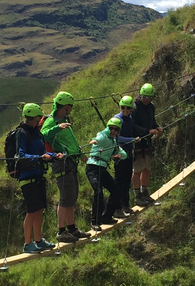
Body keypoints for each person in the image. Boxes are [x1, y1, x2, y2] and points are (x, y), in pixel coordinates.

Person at [41, 91, 91, 243]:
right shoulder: (52, 121)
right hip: (61, 163)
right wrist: (58, 127)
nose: (70, 110)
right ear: (63, 107)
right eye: (69, 107)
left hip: (70, 162)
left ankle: (72, 229)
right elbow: (42, 135)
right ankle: (61, 231)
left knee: (71, 197)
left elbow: (71, 142)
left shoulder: (64, 121)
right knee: (65, 197)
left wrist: (80, 153)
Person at [17, 103, 61, 253]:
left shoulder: (37, 133)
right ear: (31, 118)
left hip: (38, 175)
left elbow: (43, 152)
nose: (38, 122)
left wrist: (55, 155)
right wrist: (38, 157)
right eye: (37, 119)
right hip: (27, 177)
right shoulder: (22, 133)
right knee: (32, 210)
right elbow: (20, 155)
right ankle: (27, 244)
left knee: (40, 209)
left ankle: (38, 240)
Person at [86, 117, 128, 231]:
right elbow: (98, 138)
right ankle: (95, 221)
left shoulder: (114, 142)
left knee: (116, 192)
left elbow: (124, 154)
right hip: (93, 167)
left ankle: (106, 217)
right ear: (107, 128)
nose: (113, 131)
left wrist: (119, 155)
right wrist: (95, 141)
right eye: (111, 129)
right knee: (98, 192)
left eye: (116, 130)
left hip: (102, 169)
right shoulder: (103, 136)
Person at [131, 83, 163, 206]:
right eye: (145, 97)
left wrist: (157, 127)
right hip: (138, 141)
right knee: (138, 168)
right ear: (141, 95)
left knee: (147, 167)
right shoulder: (135, 108)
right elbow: (133, 126)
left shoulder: (151, 107)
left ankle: (145, 192)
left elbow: (152, 121)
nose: (147, 100)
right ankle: (137, 195)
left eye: (149, 98)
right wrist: (148, 131)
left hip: (147, 141)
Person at [113, 96, 140, 216]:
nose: (125, 110)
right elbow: (117, 138)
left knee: (127, 180)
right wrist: (132, 140)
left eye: (128, 108)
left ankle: (125, 205)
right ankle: (117, 208)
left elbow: (132, 131)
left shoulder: (130, 118)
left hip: (128, 153)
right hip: (119, 154)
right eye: (123, 108)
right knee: (119, 181)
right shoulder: (117, 120)